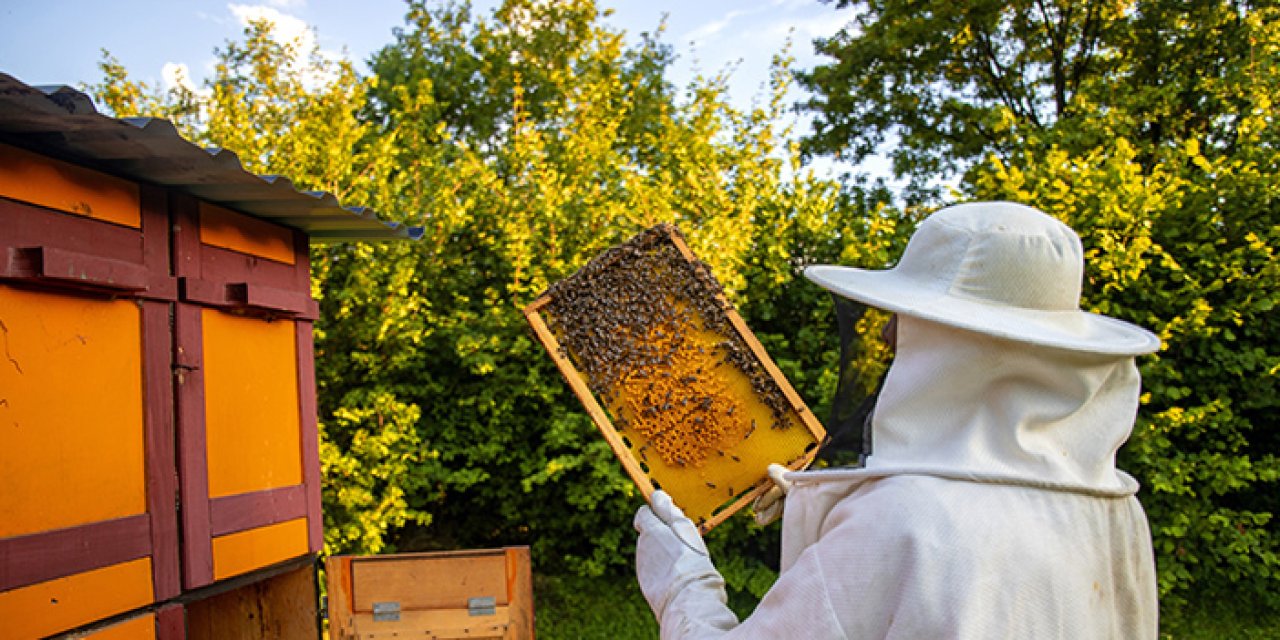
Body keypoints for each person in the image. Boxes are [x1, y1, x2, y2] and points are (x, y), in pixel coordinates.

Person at [634, 201, 1161, 639]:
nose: (886, 335)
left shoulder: (901, 520)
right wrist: (819, 500)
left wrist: (683, 583)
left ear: (952, 342)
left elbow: (900, 540)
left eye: (904, 319)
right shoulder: (1116, 510)